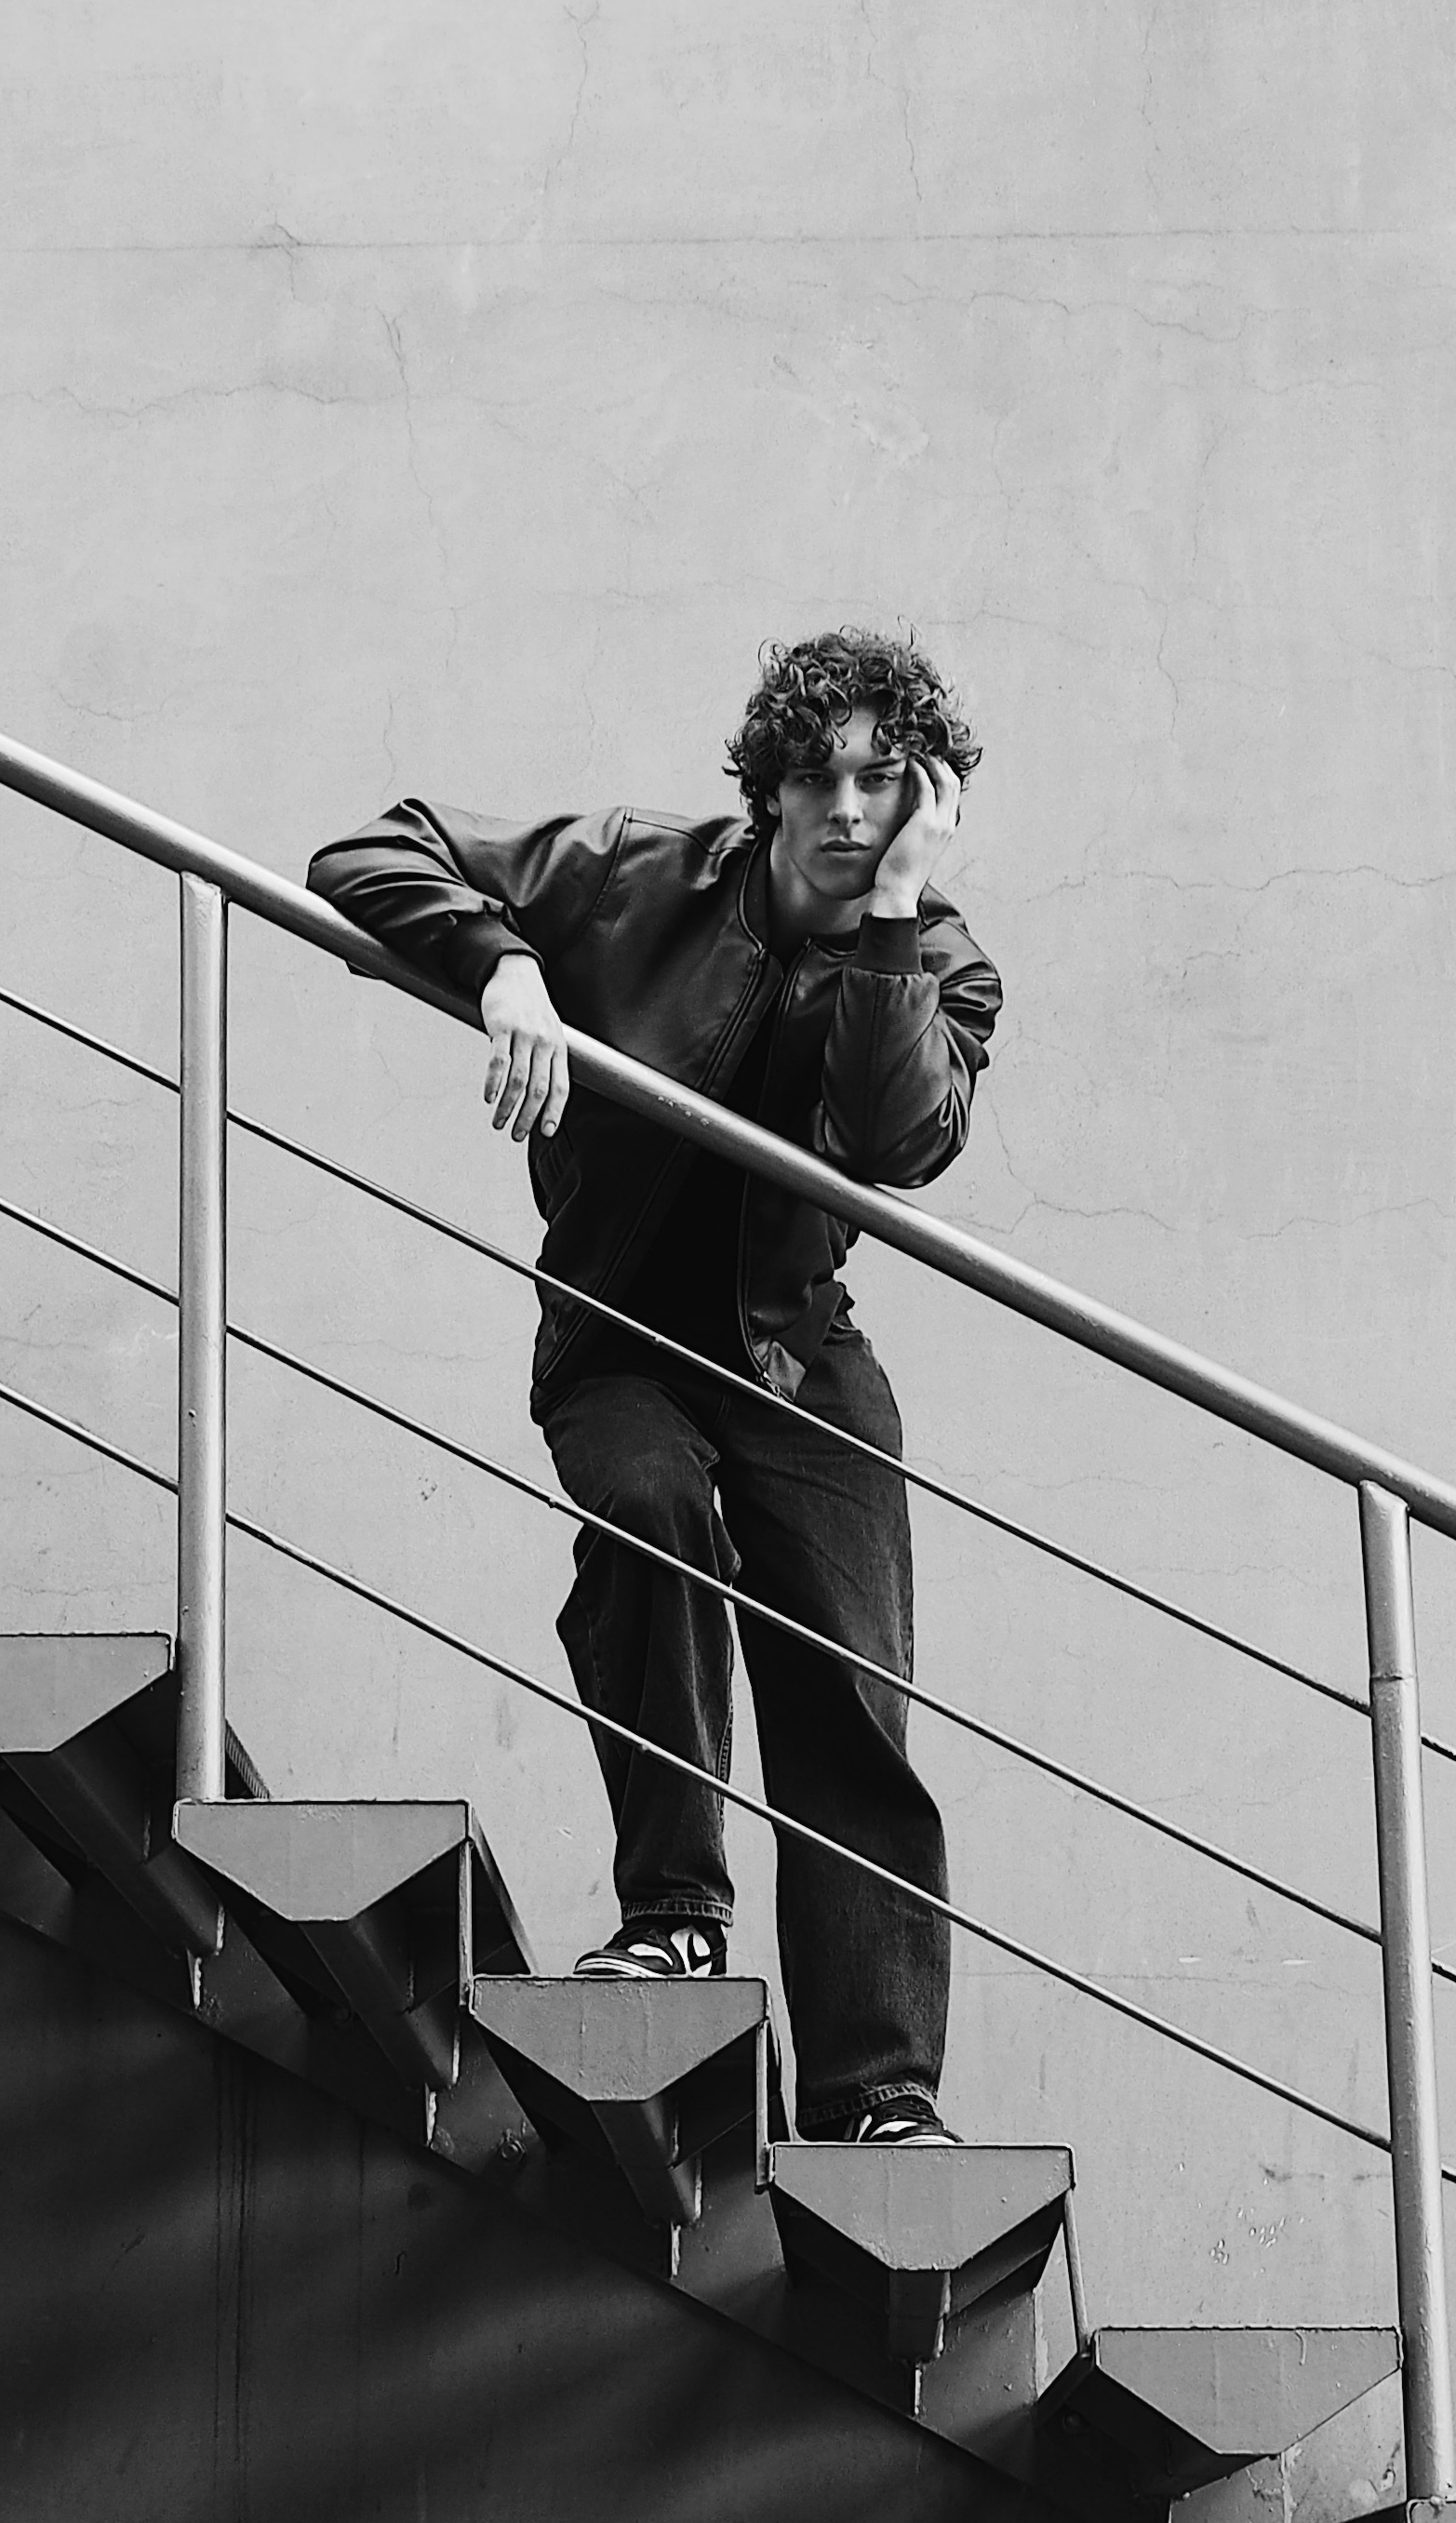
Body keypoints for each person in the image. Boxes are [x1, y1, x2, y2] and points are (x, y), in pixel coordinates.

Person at [308, 627, 1002, 2145]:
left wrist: (890, 918)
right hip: (617, 1338)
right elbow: (370, 851)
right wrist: (503, 968)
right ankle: (674, 1916)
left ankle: (877, 2090)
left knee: (845, 1705)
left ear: (923, 801)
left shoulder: (942, 964)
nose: (844, 809)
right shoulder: (637, 873)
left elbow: (892, 1140)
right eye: (814, 776)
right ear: (767, 785)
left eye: (882, 781)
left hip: (799, 1358)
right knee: (645, 1511)